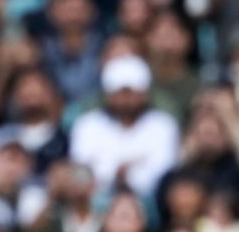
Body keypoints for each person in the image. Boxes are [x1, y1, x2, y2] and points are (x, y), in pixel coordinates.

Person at [68, 55, 179, 198]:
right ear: (108, 94)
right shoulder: (87, 124)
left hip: (151, 201)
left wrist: (113, 169)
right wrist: (120, 170)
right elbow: (81, 171)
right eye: (120, 92)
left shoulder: (163, 125)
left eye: (131, 91)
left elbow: (163, 170)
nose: (126, 99)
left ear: (144, 93)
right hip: (97, 200)